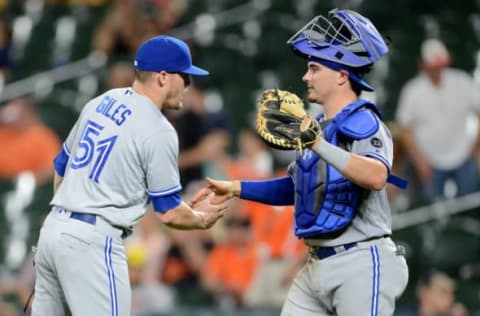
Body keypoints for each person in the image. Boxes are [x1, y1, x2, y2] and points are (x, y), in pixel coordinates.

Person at [192, 9, 409, 316]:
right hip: (316, 263)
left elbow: (376, 176)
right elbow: (297, 186)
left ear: (342, 75)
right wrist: (235, 187)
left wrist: (317, 143)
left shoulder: (365, 121)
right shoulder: (317, 126)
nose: (305, 76)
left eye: (314, 68)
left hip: (361, 261)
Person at [31, 35, 228, 316]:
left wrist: (64, 224)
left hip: (53, 230)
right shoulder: (158, 129)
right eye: (184, 76)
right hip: (93, 241)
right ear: (162, 77)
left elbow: (61, 168)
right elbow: (170, 213)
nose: (188, 84)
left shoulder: (101, 101)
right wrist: (202, 219)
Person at [395, 38, 480, 203]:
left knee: (468, 203)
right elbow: (404, 129)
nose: (437, 70)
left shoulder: (462, 81)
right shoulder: (412, 92)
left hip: (464, 156)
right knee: (433, 204)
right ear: (423, 65)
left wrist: (475, 145)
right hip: (430, 160)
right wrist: (420, 160)